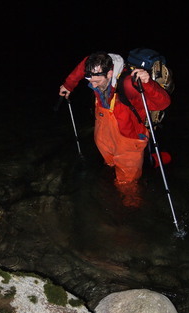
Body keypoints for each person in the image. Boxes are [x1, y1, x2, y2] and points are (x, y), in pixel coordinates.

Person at [59, 52, 171, 206]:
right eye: (90, 79)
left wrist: (147, 83)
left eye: (97, 81)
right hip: (105, 130)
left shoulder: (129, 85)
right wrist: (68, 85)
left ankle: (128, 216)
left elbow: (163, 103)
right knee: (108, 165)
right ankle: (114, 173)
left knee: (128, 186)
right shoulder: (93, 66)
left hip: (128, 141)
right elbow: (83, 66)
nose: (93, 85)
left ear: (110, 73)